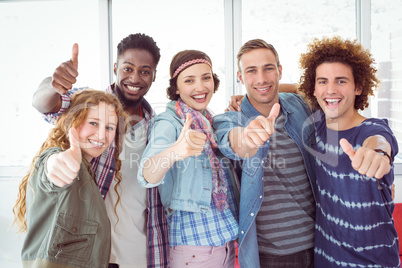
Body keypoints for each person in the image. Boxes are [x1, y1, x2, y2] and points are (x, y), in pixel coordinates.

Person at [32, 33, 169, 268]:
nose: (135, 78)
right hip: (90, 253)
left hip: (140, 252)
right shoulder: (90, 104)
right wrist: (52, 85)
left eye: (145, 71)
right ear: (116, 67)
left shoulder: (158, 127)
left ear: (154, 76)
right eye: (127, 68)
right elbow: (44, 103)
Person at [213, 39, 316, 268]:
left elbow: (314, 87)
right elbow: (235, 141)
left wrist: (279, 87)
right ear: (240, 78)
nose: (261, 78)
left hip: (320, 244)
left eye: (268, 68)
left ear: (279, 71)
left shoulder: (299, 105)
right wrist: (249, 138)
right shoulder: (229, 119)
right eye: (251, 71)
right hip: (272, 256)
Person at [298, 36, 400, 267]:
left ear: (359, 87)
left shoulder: (372, 129)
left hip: (373, 262)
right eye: (322, 81)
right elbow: (297, 90)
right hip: (325, 259)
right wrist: (251, 95)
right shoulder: (320, 124)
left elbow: (381, 142)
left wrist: (378, 156)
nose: (331, 89)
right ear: (313, 87)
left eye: (341, 81)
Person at [137, 50, 240, 268]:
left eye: (206, 77)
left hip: (225, 243)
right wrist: (175, 151)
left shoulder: (209, 121)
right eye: (189, 80)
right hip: (194, 249)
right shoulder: (169, 123)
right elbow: (146, 174)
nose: (200, 87)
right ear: (176, 87)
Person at [13, 90, 127, 267]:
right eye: (93, 123)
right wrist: (56, 166)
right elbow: (52, 167)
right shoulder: (57, 156)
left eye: (109, 127)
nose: (101, 135)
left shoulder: (87, 170)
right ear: (72, 121)